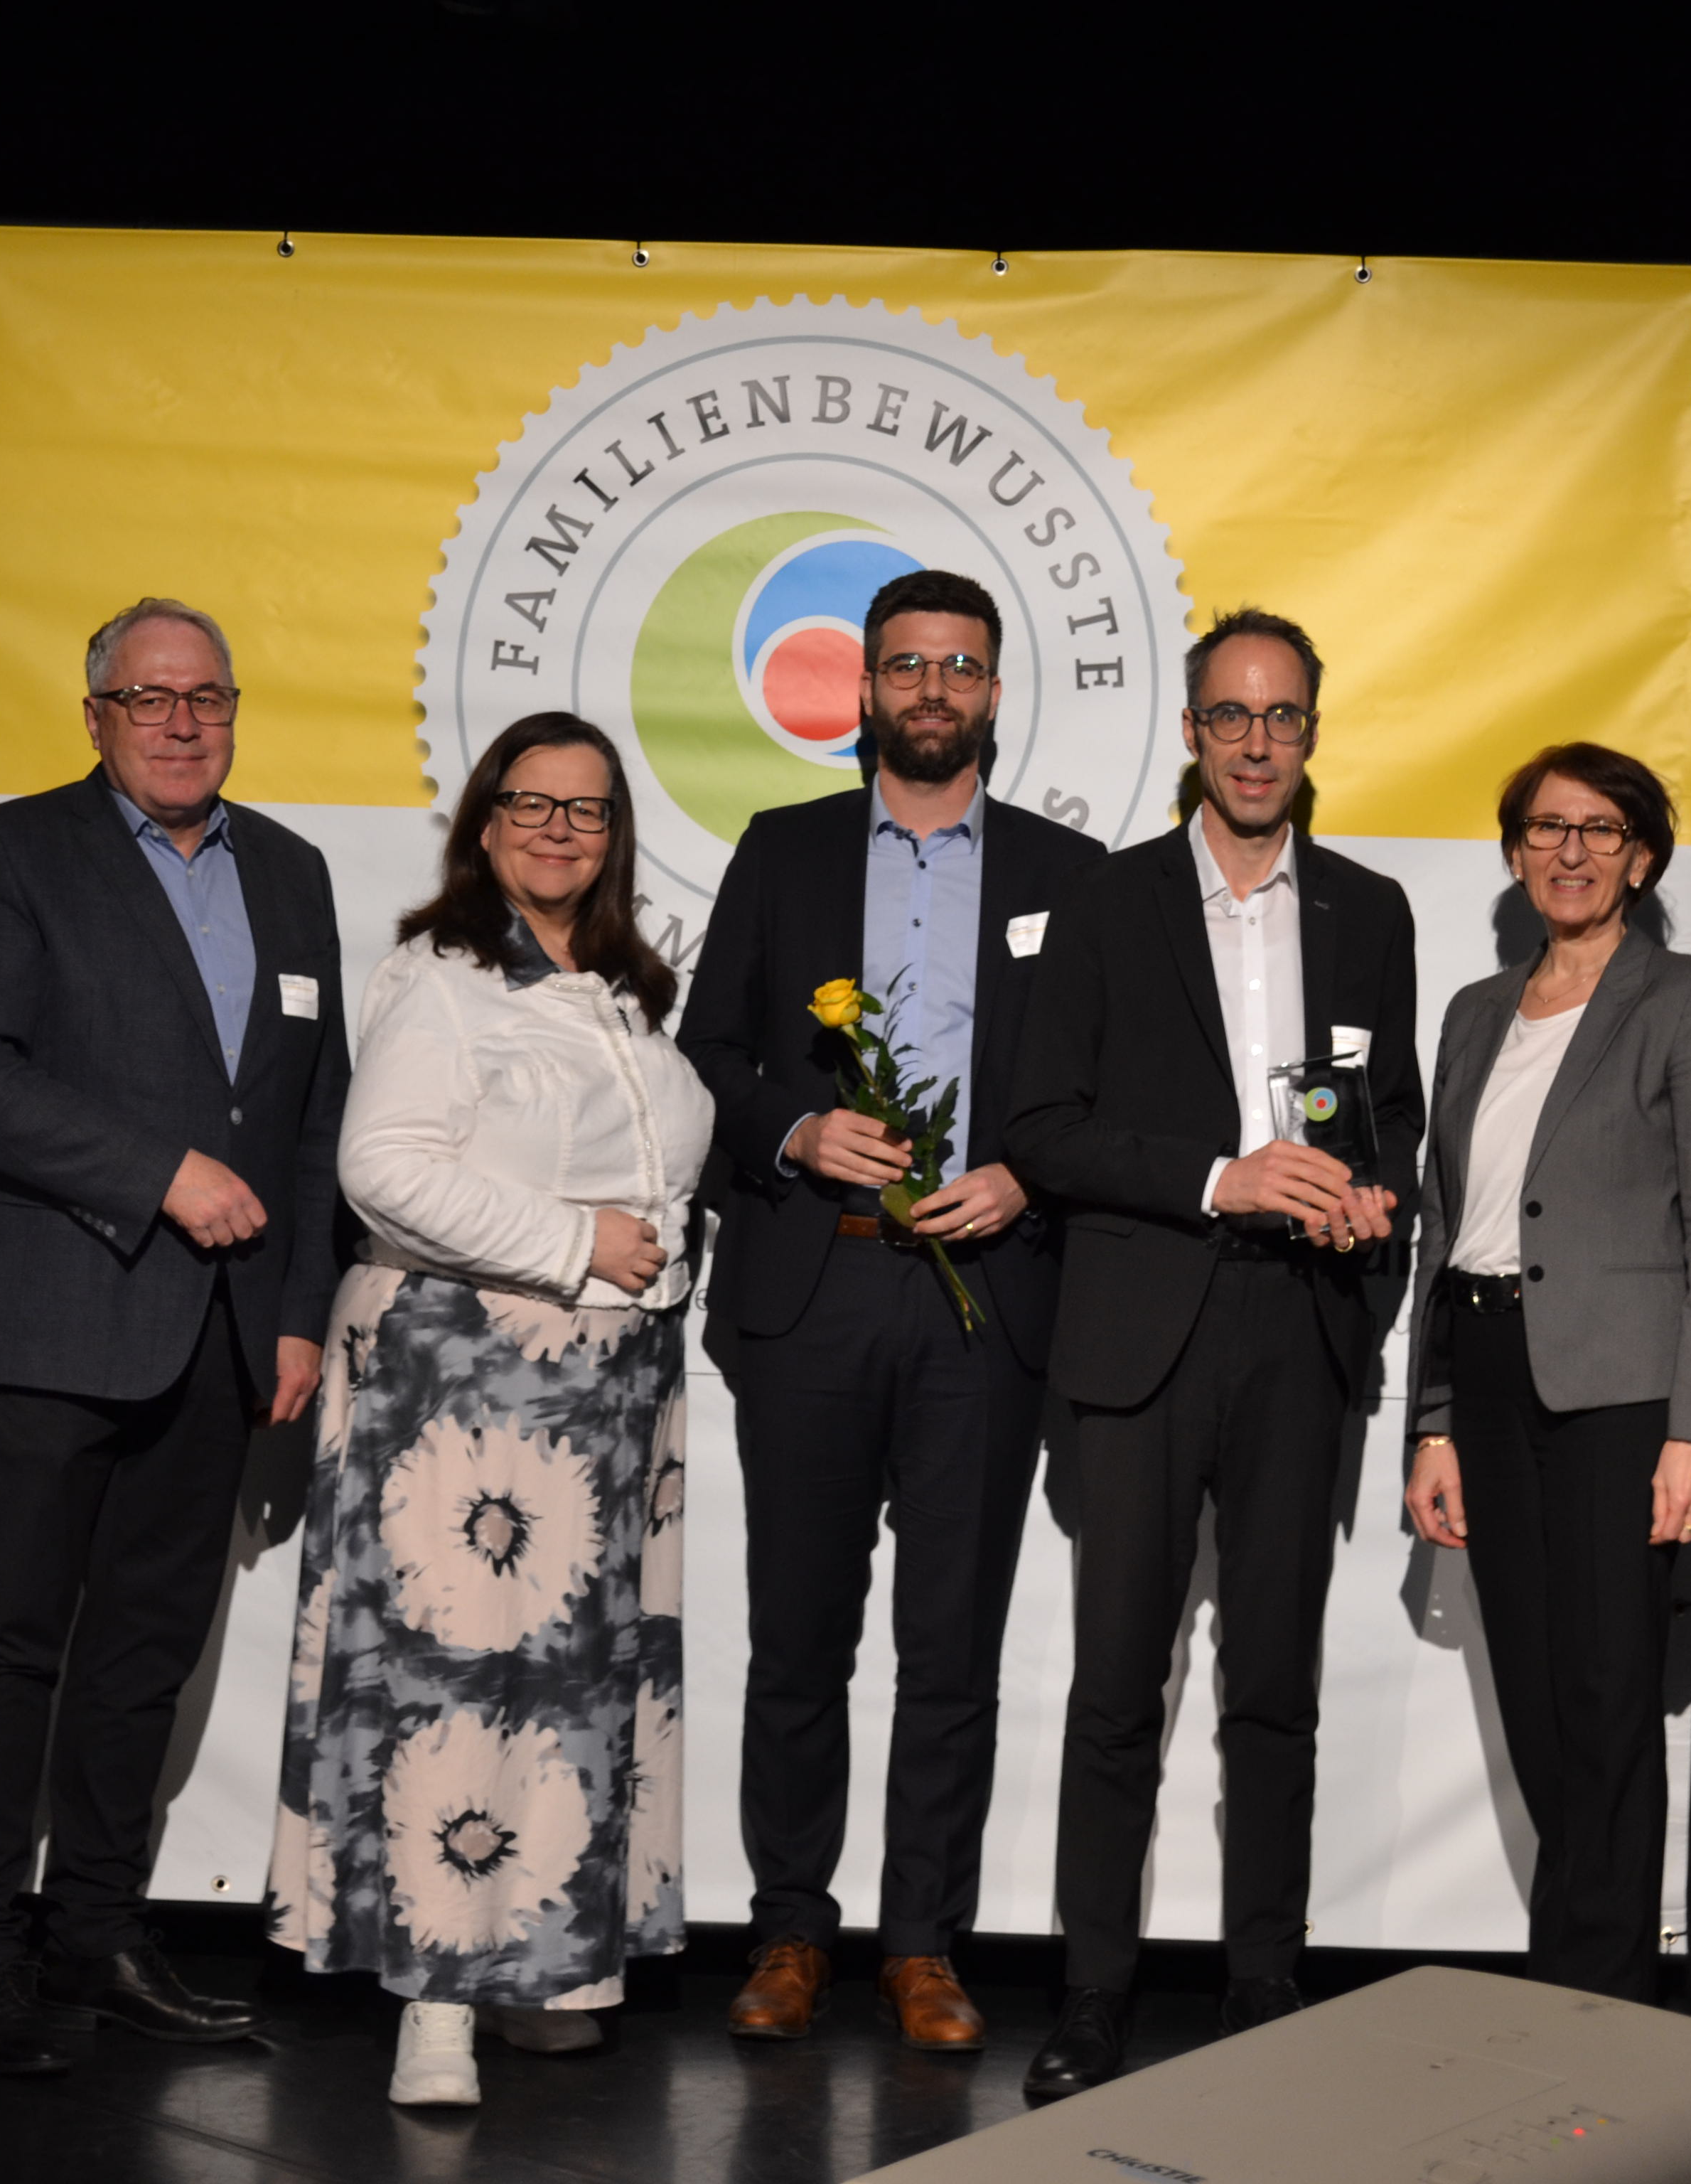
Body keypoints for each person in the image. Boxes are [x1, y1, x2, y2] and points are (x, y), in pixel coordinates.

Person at [0, 597, 349, 2075]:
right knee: (11, 1647)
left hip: (223, 1339)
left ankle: (94, 1935)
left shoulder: (289, 871)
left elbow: (313, 1117)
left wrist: (299, 1315)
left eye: (205, 697)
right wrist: (156, 1173)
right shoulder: (10, 852)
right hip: (50, 1317)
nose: (180, 723)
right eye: (149, 698)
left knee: (144, 1656)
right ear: (95, 714)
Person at [677, 569, 1105, 2052]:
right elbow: (707, 1054)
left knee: (950, 1647)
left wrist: (1028, 1176)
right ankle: (791, 1930)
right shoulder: (783, 850)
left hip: (986, 1294)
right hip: (814, 1284)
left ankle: (923, 1945)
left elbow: (1105, 1089)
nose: (933, 689)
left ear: (996, 693)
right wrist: (798, 1131)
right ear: (862, 690)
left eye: (960, 667)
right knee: (799, 1637)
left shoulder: (1071, 872)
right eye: (908, 665)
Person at [1002, 606, 1423, 2099]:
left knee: (1274, 1688)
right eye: (1232, 716)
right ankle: (1091, 1998)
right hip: (1141, 1332)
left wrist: (1372, 1204)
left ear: (1312, 733)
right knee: (1118, 1687)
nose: (1258, 742)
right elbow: (1041, 1131)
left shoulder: (1368, 910)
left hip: (1296, 1330)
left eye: (1283, 716)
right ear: (1191, 733)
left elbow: (1393, 1124)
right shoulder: (1104, 901)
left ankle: (1263, 1989)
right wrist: (1216, 1179)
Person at [269, 712, 712, 2109]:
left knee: (570, 1698)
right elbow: (382, 1168)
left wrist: (645, 1259)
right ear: (483, 820)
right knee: (454, 1691)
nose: (559, 830)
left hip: (605, 1395)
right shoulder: (446, 973)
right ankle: (437, 2004)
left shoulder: (627, 984)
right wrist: (575, 1242)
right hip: (465, 1379)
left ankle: (542, 1973)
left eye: (587, 809)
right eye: (531, 803)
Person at [1401, 744, 1691, 2005]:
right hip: (1488, 1369)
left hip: (1623, 1392)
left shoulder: (1689, 1003)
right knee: (1537, 1692)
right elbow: (1443, 1225)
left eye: (1600, 830)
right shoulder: (1473, 1012)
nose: (1571, 851)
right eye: (1548, 829)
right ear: (1515, 854)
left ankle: (1597, 1998)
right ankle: (1578, 1971)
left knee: (1608, 1692)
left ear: (1642, 859)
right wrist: (1434, 1420)